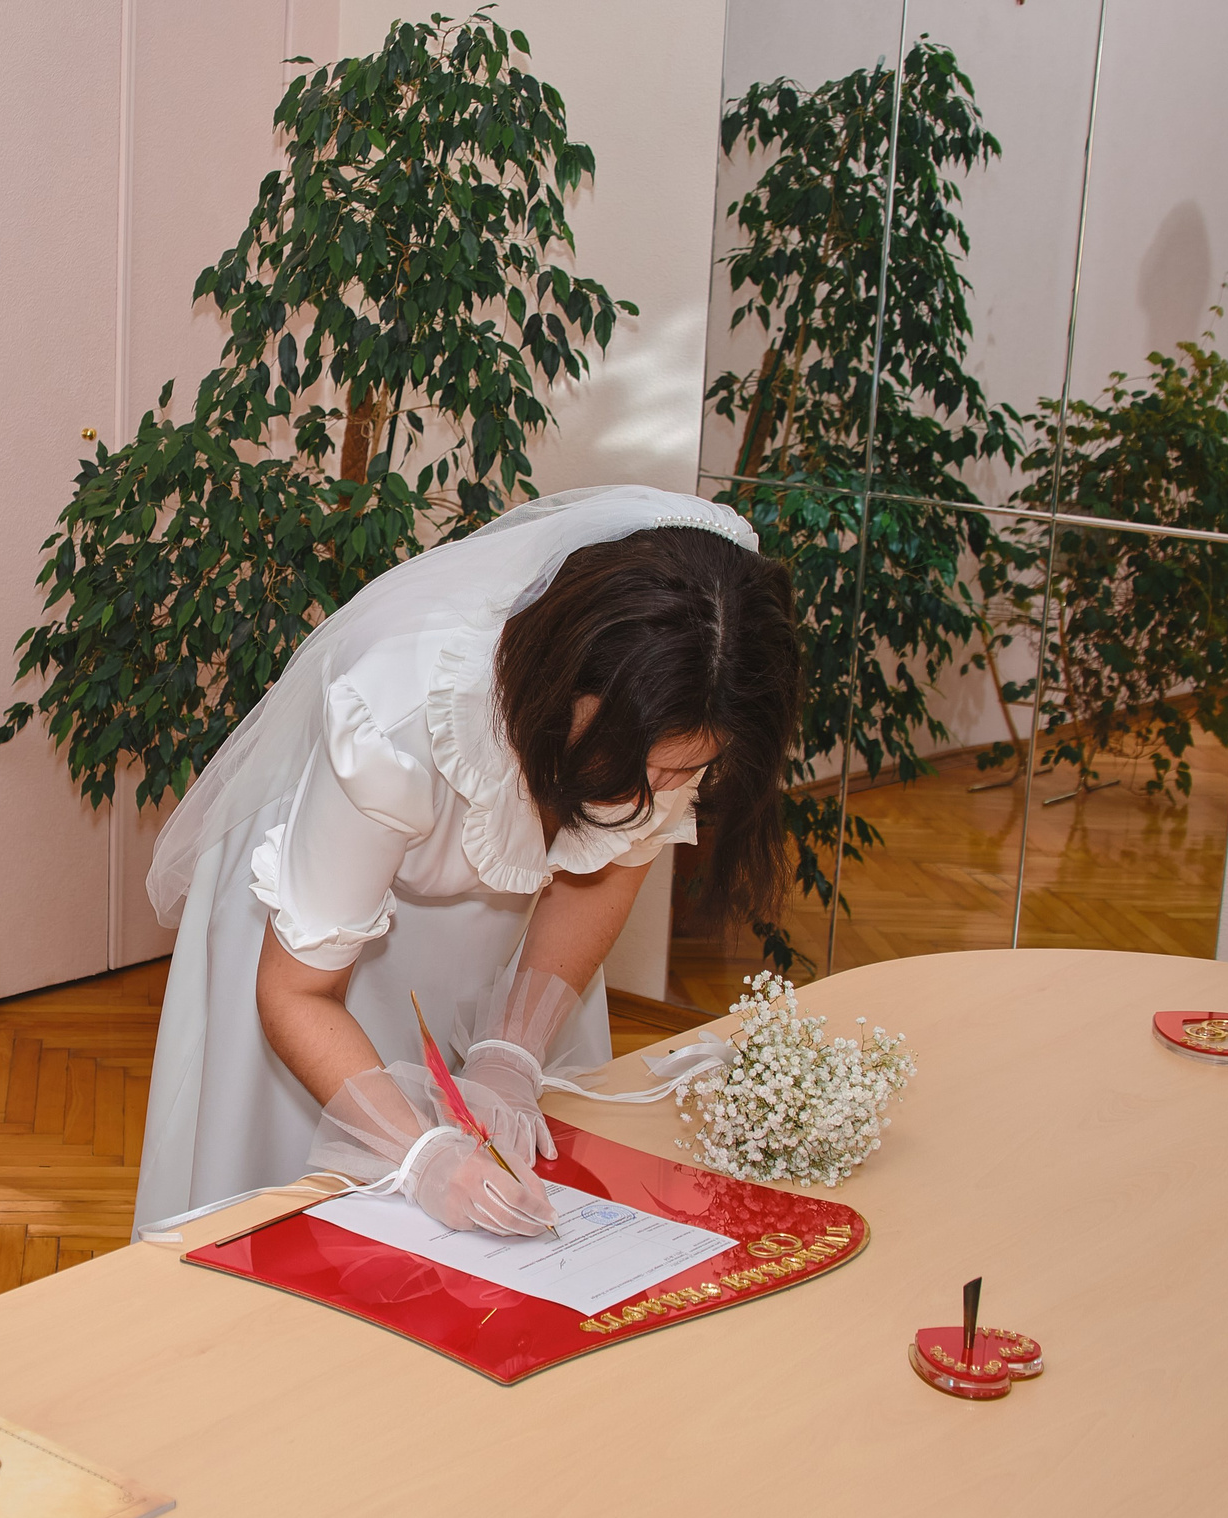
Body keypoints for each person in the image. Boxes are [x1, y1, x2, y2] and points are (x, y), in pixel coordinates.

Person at [134, 487, 797, 1236]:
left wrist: (510, 1048)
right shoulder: (400, 719)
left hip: (502, 937)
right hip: (312, 936)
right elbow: (298, 992)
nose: (661, 795)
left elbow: (611, 858)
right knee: (306, 1205)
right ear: (568, 687)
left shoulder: (687, 699)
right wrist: (421, 1156)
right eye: (643, 768)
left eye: (687, 773)